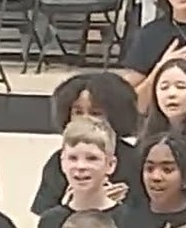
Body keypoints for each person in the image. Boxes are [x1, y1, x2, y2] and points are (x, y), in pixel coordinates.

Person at [29, 117, 129, 228]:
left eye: (92, 158)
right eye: (73, 158)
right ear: (62, 162)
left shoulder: (128, 219)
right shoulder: (51, 220)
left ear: (110, 165)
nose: (81, 167)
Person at [32, 72, 141, 215]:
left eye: (95, 113)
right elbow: (45, 217)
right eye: (78, 112)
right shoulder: (57, 162)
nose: (86, 119)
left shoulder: (136, 161)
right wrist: (70, 205)